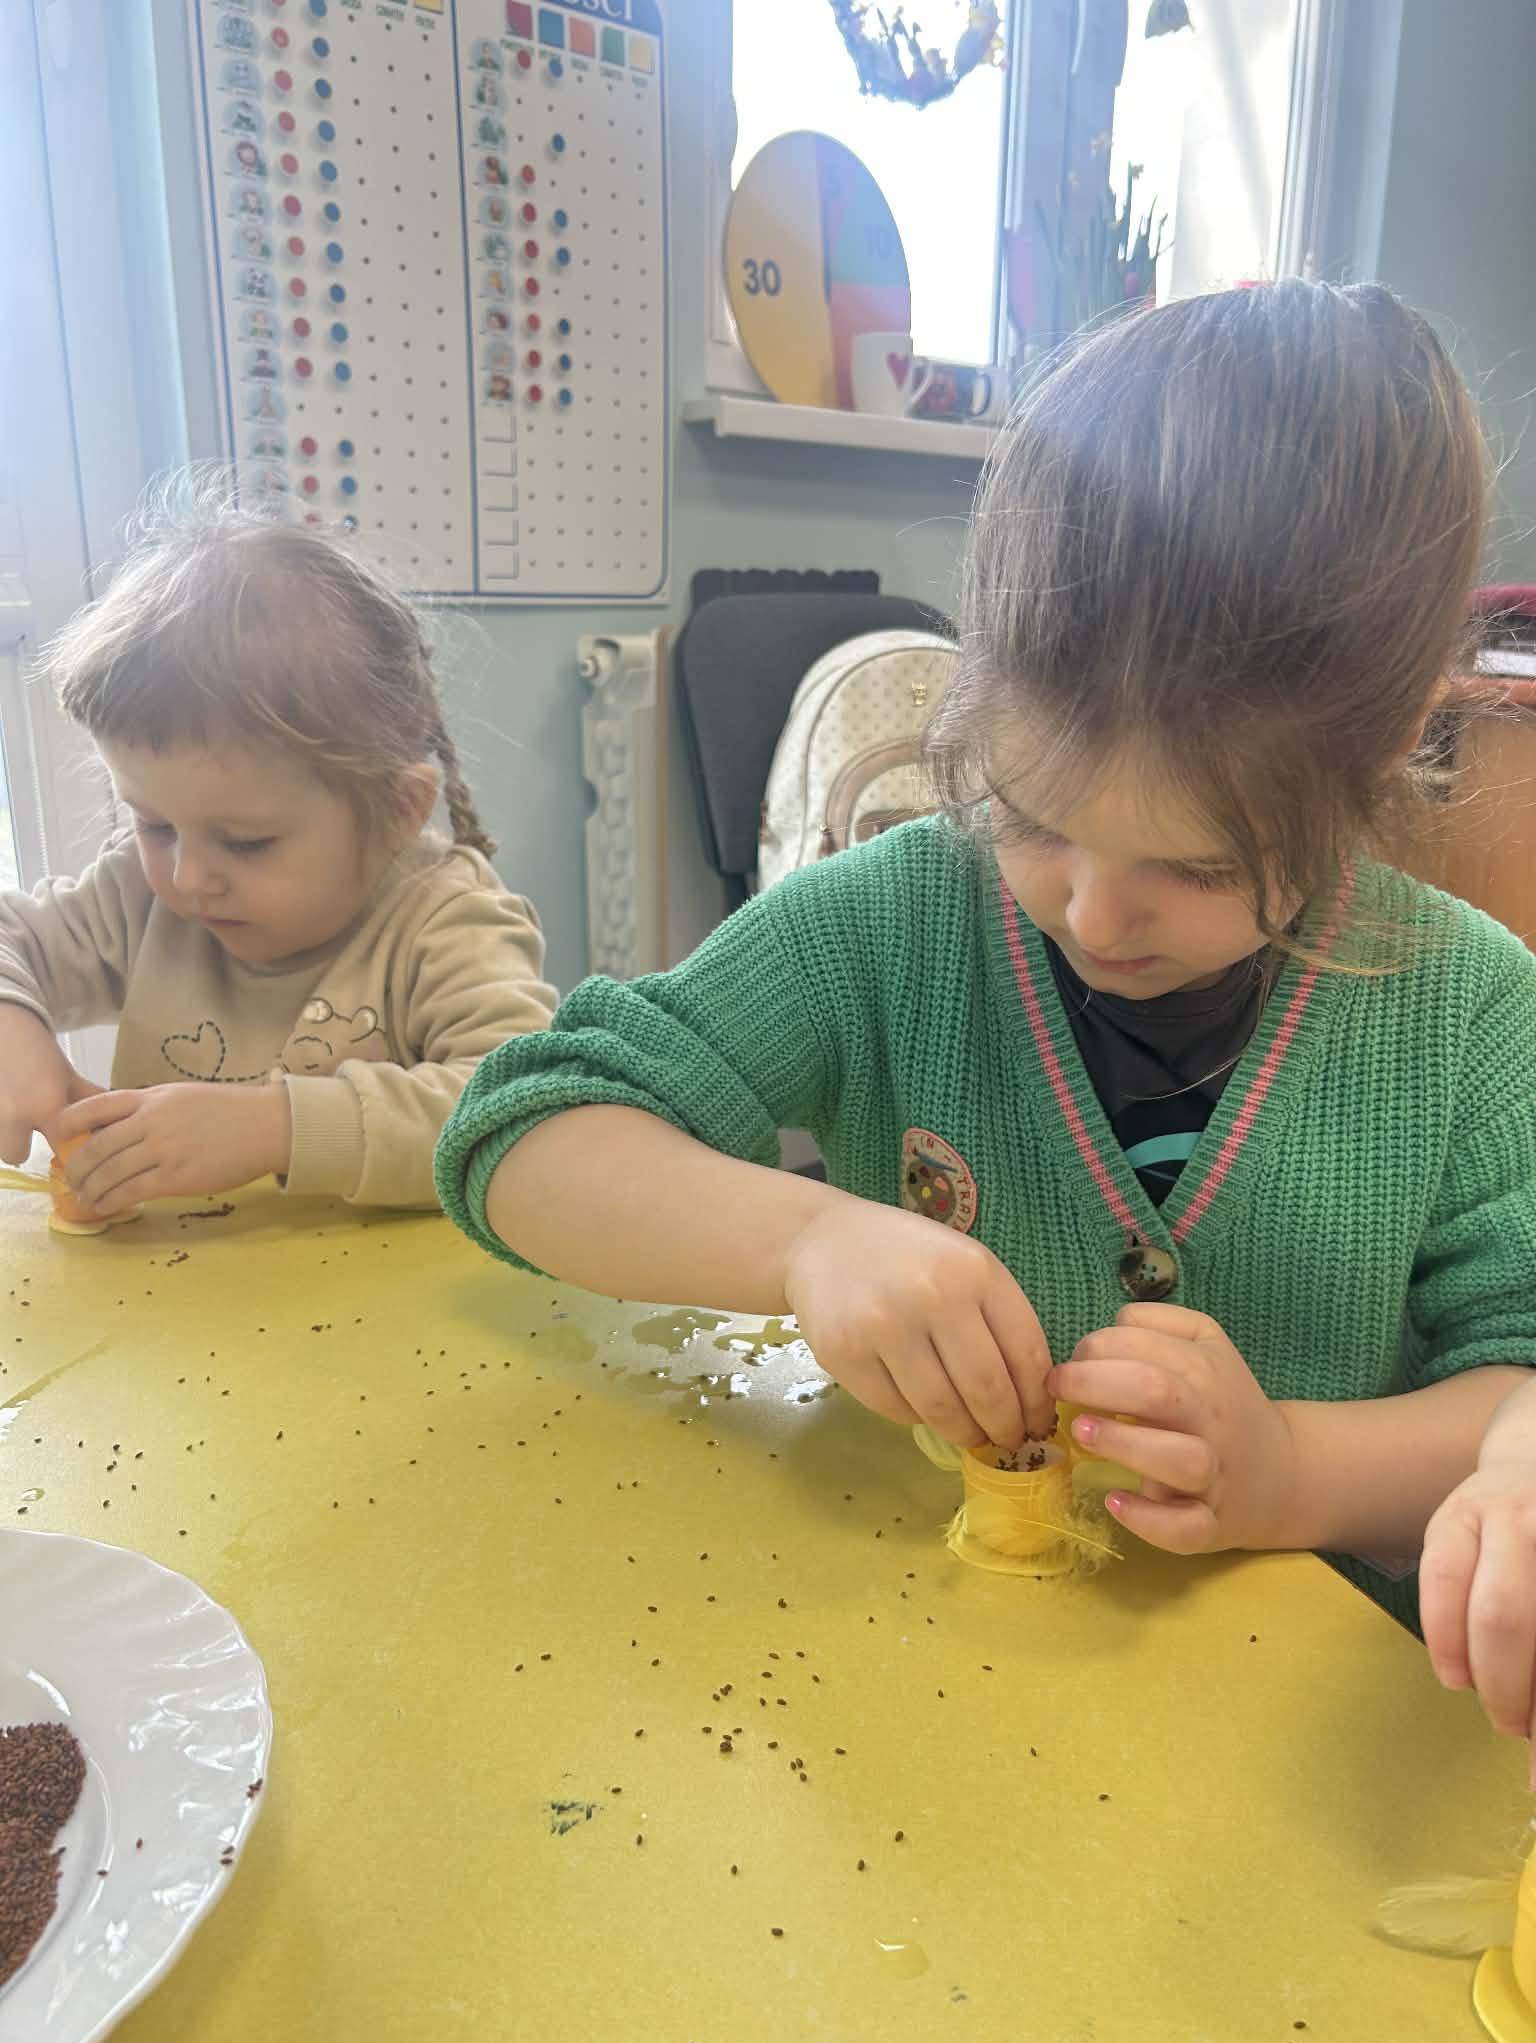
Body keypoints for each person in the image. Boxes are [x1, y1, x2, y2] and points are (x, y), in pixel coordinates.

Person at [434, 281, 1536, 1760]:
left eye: (1201, 866)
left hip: (1290, 1753)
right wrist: (806, 1237)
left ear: (1392, 744)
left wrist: (1293, 1468)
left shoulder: (1469, 1014)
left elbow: (1517, 1394)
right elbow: (520, 1132)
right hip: (917, 1699)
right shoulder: (898, 922)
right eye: (1032, 817)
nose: (1092, 912)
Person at [0, 482, 555, 1212]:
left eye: (246, 842)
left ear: (396, 812)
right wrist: (12, 1025)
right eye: (154, 825)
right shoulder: (138, 897)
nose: (188, 877)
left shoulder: (449, 922)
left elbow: (519, 1112)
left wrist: (277, 1129)